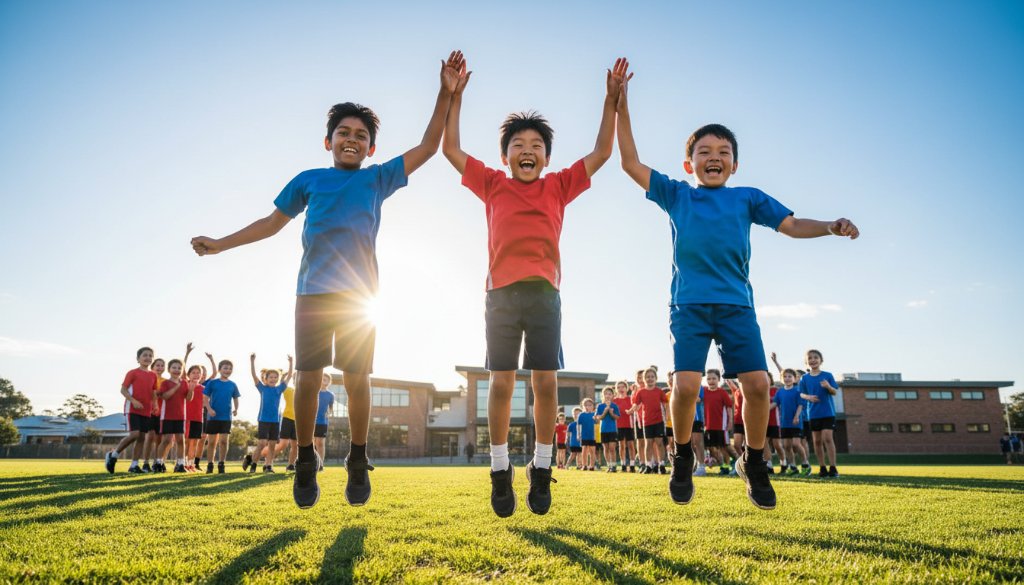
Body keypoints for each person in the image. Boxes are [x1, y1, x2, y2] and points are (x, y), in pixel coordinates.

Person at [191, 53, 463, 507]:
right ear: (328, 141)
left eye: (361, 136)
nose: (351, 140)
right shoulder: (309, 180)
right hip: (313, 295)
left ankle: (357, 458)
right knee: (311, 378)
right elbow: (269, 223)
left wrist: (445, 93)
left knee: (357, 378)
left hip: (360, 300)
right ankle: (303, 459)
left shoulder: (378, 179)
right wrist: (221, 243)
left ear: (371, 148)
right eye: (344, 133)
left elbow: (429, 147)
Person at [615, 68, 859, 509]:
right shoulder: (676, 194)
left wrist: (830, 227)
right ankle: (683, 456)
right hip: (688, 306)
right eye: (704, 151)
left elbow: (790, 224)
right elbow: (630, 163)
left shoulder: (747, 197)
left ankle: (755, 460)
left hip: (736, 308)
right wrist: (621, 104)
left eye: (723, 152)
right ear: (689, 164)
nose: (714, 157)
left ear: (734, 164)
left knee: (759, 384)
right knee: (686, 385)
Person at [442, 56, 628, 517]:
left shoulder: (559, 185)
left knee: (545, 382)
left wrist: (611, 101)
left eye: (537, 145)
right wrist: (454, 95)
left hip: (546, 296)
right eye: (518, 144)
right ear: (505, 155)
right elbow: (450, 149)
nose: (528, 150)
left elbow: (603, 153)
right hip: (500, 297)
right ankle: (500, 469)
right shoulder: (492, 183)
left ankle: (542, 468)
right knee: (501, 383)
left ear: (547, 156)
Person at [105, 347, 158, 474]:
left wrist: (155, 405)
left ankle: (134, 465)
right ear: (138, 359)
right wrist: (133, 401)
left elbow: (154, 392)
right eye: (144, 355)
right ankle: (113, 455)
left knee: (141, 438)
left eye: (150, 355)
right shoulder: (132, 373)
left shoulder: (153, 375)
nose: (147, 358)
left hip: (146, 411)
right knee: (135, 434)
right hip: (132, 409)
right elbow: (123, 390)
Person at [247, 353, 293, 473]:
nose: (273, 379)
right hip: (263, 419)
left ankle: (268, 466)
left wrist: (291, 362)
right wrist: (252, 361)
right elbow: (253, 375)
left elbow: (288, 377)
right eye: (271, 377)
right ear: (265, 379)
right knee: (262, 443)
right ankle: (253, 464)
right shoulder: (262, 388)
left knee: (272, 445)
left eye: (275, 377)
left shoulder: (279, 389)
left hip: (276, 421)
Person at [799, 349, 841, 478]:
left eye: (815, 357)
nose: (813, 360)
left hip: (828, 413)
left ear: (821, 360)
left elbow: (834, 392)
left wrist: (828, 386)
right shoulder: (804, 378)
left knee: (827, 438)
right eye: (810, 358)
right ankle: (822, 468)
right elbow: (801, 393)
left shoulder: (827, 375)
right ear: (807, 361)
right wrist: (809, 397)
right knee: (817, 441)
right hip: (813, 414)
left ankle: (833, 468)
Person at [157, 344, 194, 473]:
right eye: (174, 367)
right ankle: (158, 463)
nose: (177, 370)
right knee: (166, 440)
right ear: (169, 369)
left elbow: (188, 398)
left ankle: (180, 464)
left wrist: (191, 390)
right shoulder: (165, 383)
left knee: (180, 440)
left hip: (180, 416)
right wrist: (176, 387)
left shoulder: (184, 382)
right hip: (167, 416)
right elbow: (165, 396)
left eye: (179, 368)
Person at [202, 353, 240, 474]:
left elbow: (235, 398)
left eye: (230, 368)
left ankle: (221, 464)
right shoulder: (212, 383)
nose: (227, 370)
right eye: (225, 368)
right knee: (212, 442)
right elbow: (205, 398)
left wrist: (236, 409)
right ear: (219, 370)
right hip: (213, 417)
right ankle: (210, 464)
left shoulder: (233, 385)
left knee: (224, 442)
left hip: (226, 417)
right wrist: (209, 409)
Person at [629, 367, 668, 474]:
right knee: (648, 443)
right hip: (647, 422)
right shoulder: (641, 392)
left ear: (656, 378)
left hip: (659, 421)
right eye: (647, 377)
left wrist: (668, 416)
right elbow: (636, 405)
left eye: (652, 377)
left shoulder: (659, 391)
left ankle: (662, 465)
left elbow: (665, 404)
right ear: (644, 379)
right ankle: (648, 465)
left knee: (659, 443)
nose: (650, 379)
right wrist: (630, 411)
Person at [773, 367, 811, 476]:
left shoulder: (798, 391)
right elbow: (775, 404)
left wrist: (796, 416)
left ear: (795, 378)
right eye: (785, 376)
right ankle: (793, 466)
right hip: (784, 423)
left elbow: (800, 405)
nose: (787, 378)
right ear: (781, 379)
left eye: (790, 376)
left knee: (796, 444)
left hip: (796, 422)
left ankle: (805, 463)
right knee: (786, 446)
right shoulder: (780, 392)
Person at [701, 370, 734, 475]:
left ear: (719, 380)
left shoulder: (722, 392)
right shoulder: (704, 391)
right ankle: (722, 466)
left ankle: (736, 463)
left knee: (724, 446)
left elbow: (729, 408)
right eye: (709, 379)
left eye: (714, 378)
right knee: (711, 447)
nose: (711, 381)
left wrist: (730, 422)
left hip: (721, 426)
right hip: (709, 426)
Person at [143, 357, 167, 473]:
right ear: (152, 367)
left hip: (162, 413)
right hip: (149, 411)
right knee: (149, 436)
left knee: (159, 439)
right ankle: (145, 463)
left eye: (162, 365)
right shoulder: (148, 378)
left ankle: (156, 462)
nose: (160, 367)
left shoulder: (166, 381)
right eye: (157, 365)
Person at [184, 363, 206, 472]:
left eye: (198, 373)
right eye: (193, 373)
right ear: (188, 374)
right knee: (186, 441)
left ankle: (191, 464)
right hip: (186, 418)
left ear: (202, 376)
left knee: (195, 442)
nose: (196, 375)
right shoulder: (185, 385)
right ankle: (182, 463)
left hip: (198, 418)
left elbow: (206, 403)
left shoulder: (204, 389)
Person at [612, 381, 637, 473]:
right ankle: (623, 465)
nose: (621, 389)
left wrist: (631, 411)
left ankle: (632, 465)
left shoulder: (631, 399)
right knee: (621, 445)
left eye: (623, 387)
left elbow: (635, 408)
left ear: (626, 388)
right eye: (618, 387)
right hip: (618, 425)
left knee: (631, 445)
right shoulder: (614, 401)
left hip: (629, 425)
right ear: (616, 389)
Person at [595, 387, 620, 472]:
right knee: (605, 448)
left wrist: (611, 413)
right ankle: (609, 465)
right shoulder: (600, 406)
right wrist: (605, 411)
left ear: (613, 395)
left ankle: (614, 466)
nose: (607, 395)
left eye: (609, 394)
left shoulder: (615, 406)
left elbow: (617, 417)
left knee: (612, 448)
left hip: (612, 430)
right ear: (603, 395)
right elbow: (599, 418)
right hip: (603, 430)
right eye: (605, 394)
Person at [314, 373, 335, 469]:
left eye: (326, 379)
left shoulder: (330, 395)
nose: (323, 380)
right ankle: (312, 462)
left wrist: (329, 413)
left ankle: (321, 464)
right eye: (322, 378)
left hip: (323, 422)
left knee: (320, 443)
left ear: (329, 382)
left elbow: (330, 408)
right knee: (311, 442)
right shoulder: (314, 392)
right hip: (312, 421)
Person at [577, 398, 598, 471]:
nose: (587, 407)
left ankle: (592, 466)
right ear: (583, 406)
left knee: (592, 451)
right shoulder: (581, 415)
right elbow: (578, 426)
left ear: (593, 406)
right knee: (584, 451)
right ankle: (584, 465)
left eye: (589, 405)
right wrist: (578, 435)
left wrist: (597, 436)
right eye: (585, 405)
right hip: (584, 436)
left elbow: (597, 425)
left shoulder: (594, 414)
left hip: (592, 436)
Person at [692, 383, 707, 477]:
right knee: (691, 444)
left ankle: (701, 466)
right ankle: (695, 464)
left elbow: (698, 399)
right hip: (687, 419)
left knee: (698, 443)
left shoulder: (699, 386)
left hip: (697, 418)